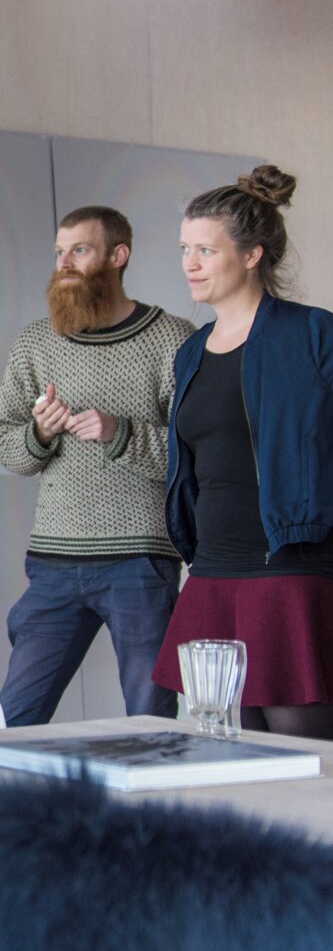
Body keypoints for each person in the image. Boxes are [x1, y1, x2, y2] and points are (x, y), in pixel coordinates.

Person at [0, 206, 192, 726]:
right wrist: (40, 433)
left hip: (140, 561)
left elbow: (197, 454)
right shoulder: (36, 342)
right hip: (53, 561)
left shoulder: (173, 338)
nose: (64, 263)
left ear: (117, 256)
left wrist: (118, 432)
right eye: (59, 252)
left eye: (79, 249)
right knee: (14, 720)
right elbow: (5, 439)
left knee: (150, 722)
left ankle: (153, 808)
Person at [154, 167, 333, 739]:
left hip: (289, 573)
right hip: (211, 574)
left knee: (307, 767)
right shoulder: (189, 354)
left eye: (206, 249)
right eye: (185, 249)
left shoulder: (313, 335)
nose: (191, 263)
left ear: (253, 254)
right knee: (229, 758)